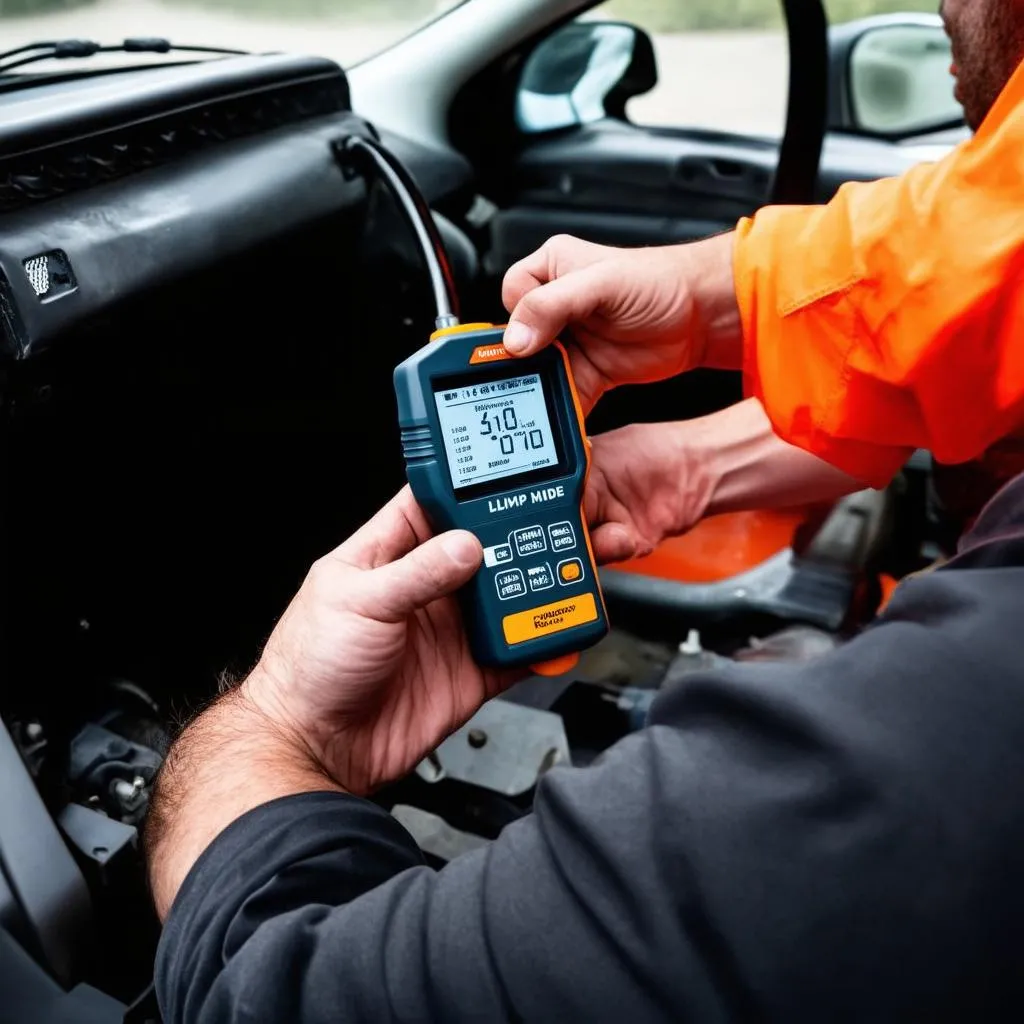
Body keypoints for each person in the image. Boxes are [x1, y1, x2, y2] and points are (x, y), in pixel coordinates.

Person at [148, 3, 1024, 1021]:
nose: (943, 6)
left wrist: (271, 725)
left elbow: (273, 992)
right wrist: (714, 321)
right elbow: (989, 253)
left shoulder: (923, 758)